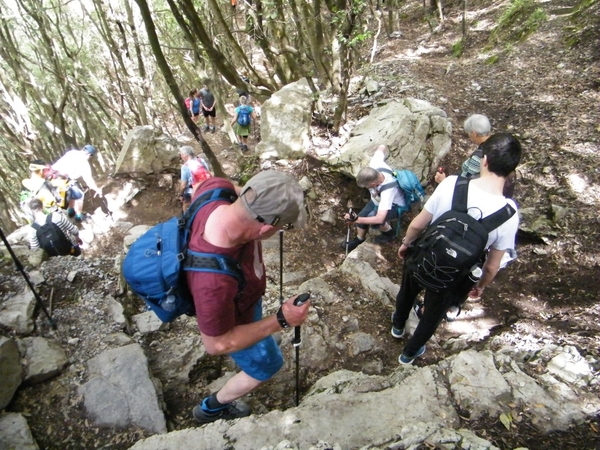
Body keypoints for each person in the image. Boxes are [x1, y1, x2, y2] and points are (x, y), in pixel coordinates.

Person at [186, 170, 310, 424]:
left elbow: (202, 184)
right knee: (267, 365)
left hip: (245, 297)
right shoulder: (214, 283)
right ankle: (211, 408)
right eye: (283, 226)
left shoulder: (217, 189)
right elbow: (216, 344)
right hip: (235, 319)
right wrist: (282, 320)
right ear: (266, 227)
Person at [391, 133, 521, 365]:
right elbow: (491, 266)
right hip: (455, 276)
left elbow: (418, 223)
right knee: (432, 315)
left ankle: (398, 326)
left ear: (485, 160)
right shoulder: (509, 214)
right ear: (512, 169)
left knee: (407, 291)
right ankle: (409, 353)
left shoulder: (452, 183)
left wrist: (406, 244)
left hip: (423, 256)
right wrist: (479, 286)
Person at [342, 144, 406, 251]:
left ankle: (390, 233)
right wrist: (359, 219)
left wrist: (357, 220)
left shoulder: (388, 190)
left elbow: (379, 218)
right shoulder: (375, 164)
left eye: (366, 186)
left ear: (373, 184)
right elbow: (381, 147)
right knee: (363, 216)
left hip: (395, 206)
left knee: (373, 221)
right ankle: (359, 239)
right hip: (377, 200)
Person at [435, 114, 491, 185]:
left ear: (474, 134)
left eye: (469, 134)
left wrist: (444, 182)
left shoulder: (479, 157)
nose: (470, 138)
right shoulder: (497, 145)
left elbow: (466, 186)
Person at [51, 145, 102, 222]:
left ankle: (71, 211)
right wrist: (97, 189)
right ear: (89, 155)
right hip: (61, 180)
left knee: (73, 192)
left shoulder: (72, 153)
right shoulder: (84, 163)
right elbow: (89, 180)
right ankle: (78, 216)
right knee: (79, 196)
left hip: (53, 177)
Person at [178, 146, 212, 212]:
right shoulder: (201, 160)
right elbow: (208, 172)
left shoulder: (185, 167)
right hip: (207, 186)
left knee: (185, 204)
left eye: (181, 155)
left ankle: (186, 219)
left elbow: (183, 186)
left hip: (193, 191)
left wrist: (181, 194)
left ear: (185, 155)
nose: (181, 157)